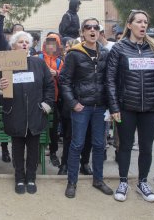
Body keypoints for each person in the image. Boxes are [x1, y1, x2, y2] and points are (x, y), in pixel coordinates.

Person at [107, 10, 154, 202]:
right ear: (129, 25)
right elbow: (110, 80)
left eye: (146, 22)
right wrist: (115, 107)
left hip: (150, 108)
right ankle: (123, 181)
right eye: (139, 22)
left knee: (146, 147)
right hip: (126, 107)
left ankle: (142, 182)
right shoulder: (119, 48)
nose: (143, 25)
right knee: (124, 146)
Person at [0, 31, 55, 194]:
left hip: (36, 114)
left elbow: (49, 86)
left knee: (33, 150)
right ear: (13, 46)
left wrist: (46, 104)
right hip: (15, 114)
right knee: (17, 149)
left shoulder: (39, 63)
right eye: (20, 42)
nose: (24, 44)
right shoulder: (6, 64)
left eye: (26, 42)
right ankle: (19, 179)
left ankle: (31, 178)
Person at [60, 18, 112, 198]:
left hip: (100, 107)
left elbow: (110, 80)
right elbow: (64, 81)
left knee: (99, 145)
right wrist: (73, 103)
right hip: (82, 107)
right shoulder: (74, 53)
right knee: (77, 145)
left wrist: (111, 107)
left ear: (99, 32)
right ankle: (71, 182)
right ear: (82, 32)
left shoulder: (105, 53)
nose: (92, 30)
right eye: (88, 27)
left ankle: (98, 180)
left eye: (95, 27)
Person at [57, 39, 94, 176]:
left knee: (89, 136)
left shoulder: (94, 57)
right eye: (67, 46)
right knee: (70, 136)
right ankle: (64, 164)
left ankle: (84, 163)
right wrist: (72, 102)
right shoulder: (70, 58)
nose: (69, 48)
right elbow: (64, 81)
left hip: (90, 102)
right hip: (72, 104)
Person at [38, 33, 64, 167]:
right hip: (38, 97)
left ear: (58, 46)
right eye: (49, 43)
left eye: (54, 44)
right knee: (37, 126)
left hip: (54, 99)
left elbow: (65, 78)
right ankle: (37, 153)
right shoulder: (38, 58)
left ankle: (53, 152)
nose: (51, 46)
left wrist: (57, 73)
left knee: (53, 128)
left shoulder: (60, 62)